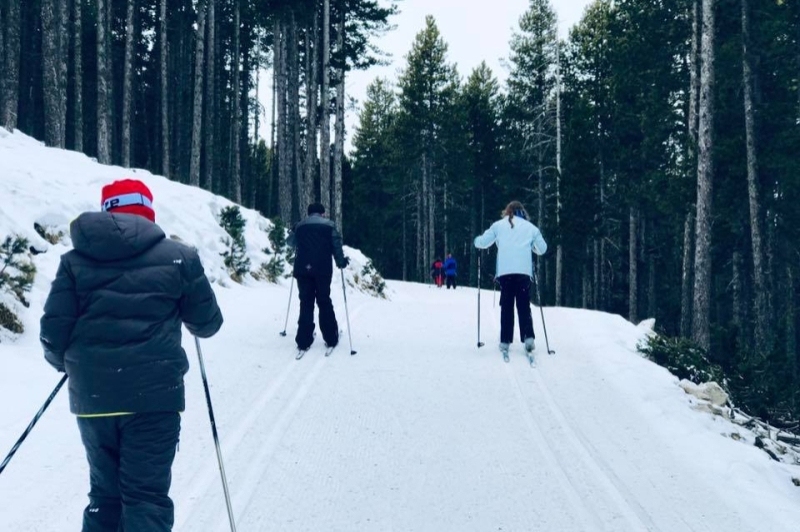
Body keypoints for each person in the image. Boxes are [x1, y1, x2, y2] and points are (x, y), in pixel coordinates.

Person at [40, 178, 224, 532]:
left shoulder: (74, 262)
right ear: (148, 212)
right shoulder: (178, 256)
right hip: (153, 399)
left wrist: (70, 366)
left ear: (106, 211)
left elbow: (52, 334)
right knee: (146, 499)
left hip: (94, 398)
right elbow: (208, 323)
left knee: (104, 498)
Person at [474, 200, 547, 356]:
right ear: (523, 212)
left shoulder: (498, 226)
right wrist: (532, 247)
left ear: (507, 211)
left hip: (505, 273)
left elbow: (482, 243)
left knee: (506, 305)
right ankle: (528, 338)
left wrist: (476, 241)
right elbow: (542, 249)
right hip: (523, 273)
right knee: (523, 304)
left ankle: (505, 340)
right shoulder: (530, 228)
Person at [288, 202, 349, 351]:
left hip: (303, 269)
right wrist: (341, 262)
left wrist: (294, 228)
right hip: (322, 270)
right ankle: (331, 338)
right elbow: (336, 245)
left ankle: (303, 340)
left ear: (309, 213)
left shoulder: (300, 226)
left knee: (306, 302)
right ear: (322, 213)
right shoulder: (329, 225)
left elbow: (290, 243)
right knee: (324, 300)